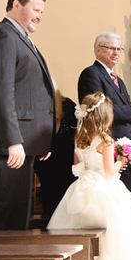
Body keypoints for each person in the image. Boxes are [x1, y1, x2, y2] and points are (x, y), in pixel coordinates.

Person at [48, 92, 131, 260]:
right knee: (108, 238)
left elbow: (77, 166)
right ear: (105, 116)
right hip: (103, 193)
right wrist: (122, 159)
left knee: (79, 234)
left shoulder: (79, 139)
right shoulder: (105, 140)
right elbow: (108, 172)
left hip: (80, 191)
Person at [0, 0, 55, 230]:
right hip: (5, 144)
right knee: (6, 212)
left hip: (20, 141)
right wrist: (13, 141)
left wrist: (38, 140)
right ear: (16, 5)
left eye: (42, 11)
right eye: (35, 9)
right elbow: (0, 92)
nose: (39, 16)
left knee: (18, 212)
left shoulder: (20, 38)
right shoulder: (1, 36)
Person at [78, 32, 131, 193]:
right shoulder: (91, 74)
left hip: (123, 148)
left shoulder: (117, 79)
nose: (116, 53)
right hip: (106, 146)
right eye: (111, 48)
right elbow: (98, 109)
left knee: (124, 195)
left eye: (119, 49)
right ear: (98, 50)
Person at [34, 86, 77, 216]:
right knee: (49, 194)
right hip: (45, 159)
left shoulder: (68, 105)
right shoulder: (37, 107)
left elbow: (76, 131)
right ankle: (48, 225)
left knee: (66, 195)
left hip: (66, 158)